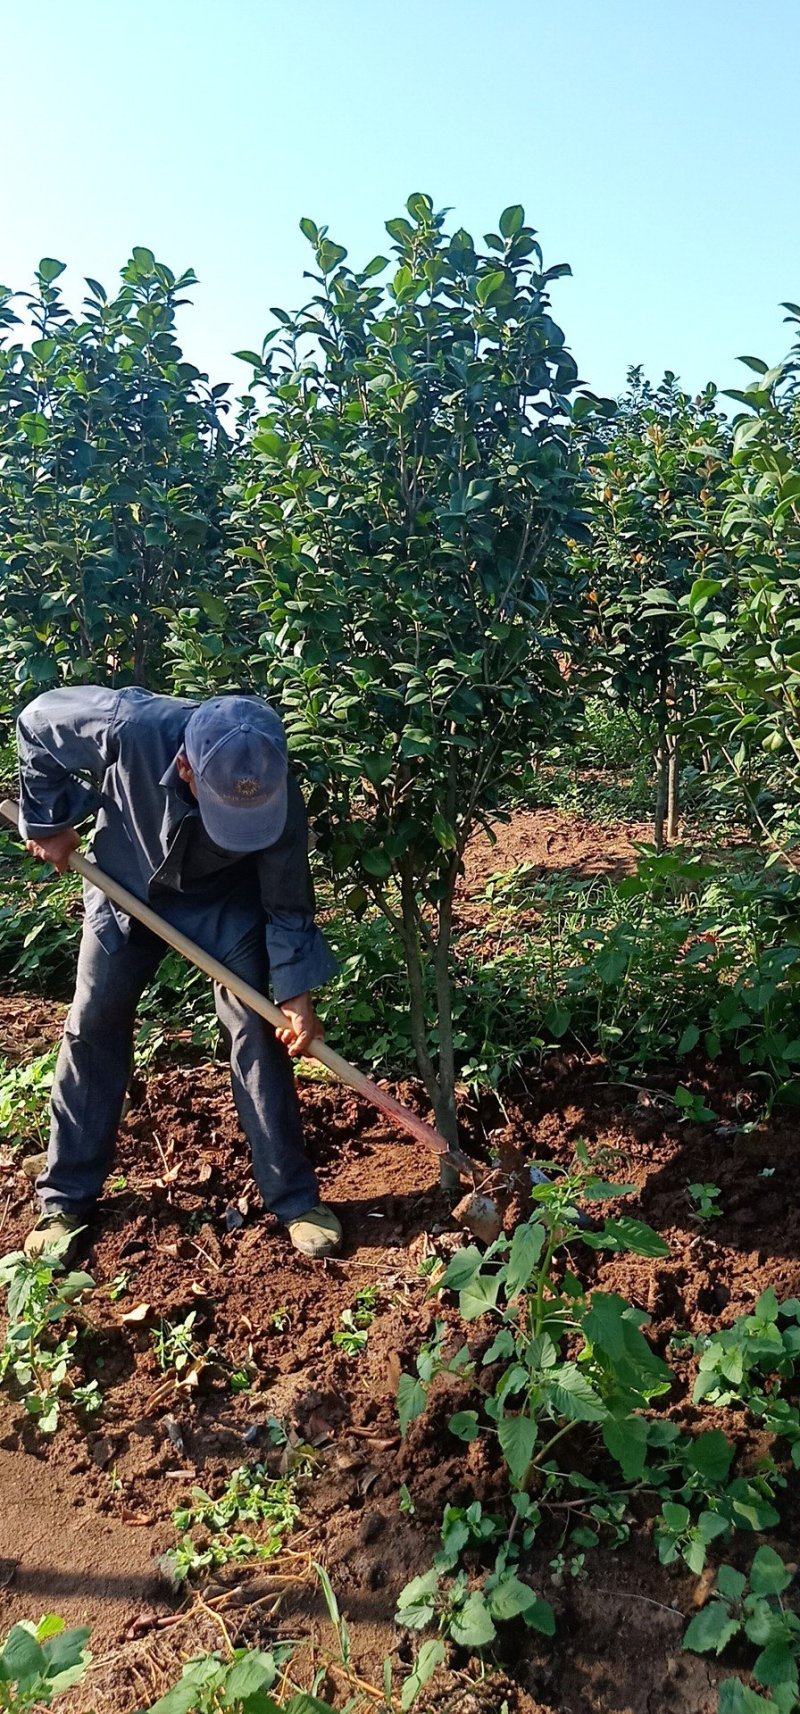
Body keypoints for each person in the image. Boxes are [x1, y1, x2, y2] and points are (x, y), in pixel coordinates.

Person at [15, 686, 343, 1263]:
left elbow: (288, 904)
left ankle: (294, 1200)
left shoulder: (271, 778)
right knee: (93, 1023)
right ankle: (65, 1199)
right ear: (187, 765)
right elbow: (37, 723)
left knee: (259, 1033)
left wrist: (296, 993)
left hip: (223, 905)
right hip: (126, 880)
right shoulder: (131, 726)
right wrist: (47, 820)